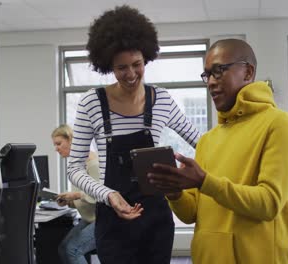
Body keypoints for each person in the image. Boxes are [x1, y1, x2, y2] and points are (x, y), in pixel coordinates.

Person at [148, 39, 288, 263]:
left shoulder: (279, 124)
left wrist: (204, 182)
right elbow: (191, 214)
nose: (210, 82)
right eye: (207, 75)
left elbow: (269, 204)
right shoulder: (208, 140)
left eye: (218, 71)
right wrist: (174, 192)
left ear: (248, 72)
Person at [66, 5, 200, 264]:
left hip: (156, 221)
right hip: (112, 221)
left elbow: (202, 142)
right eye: (121, 68)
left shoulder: (160, 99)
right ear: (108, 66)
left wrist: (191, 174)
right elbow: (74, 167)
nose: (130, 74)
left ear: (146, 58)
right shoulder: (91, 103)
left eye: (137, 64)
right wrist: (108, 195)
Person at [51, 124, 98, 264]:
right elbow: (83, 198)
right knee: (63, 247)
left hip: (102, 219)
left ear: (71, 140)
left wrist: (76, 195)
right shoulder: (76, 164)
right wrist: (68, 201)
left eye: (59, 143)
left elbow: (99, 196)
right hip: (89, 218)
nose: (56, 148)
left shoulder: (93, 163)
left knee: (72, 249)